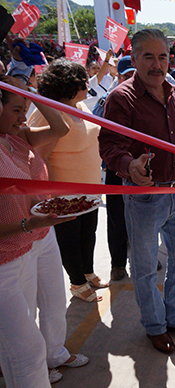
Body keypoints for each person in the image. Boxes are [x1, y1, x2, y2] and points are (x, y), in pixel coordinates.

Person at [98, 29, 175, 354]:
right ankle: (155, 326)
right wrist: (130, 166)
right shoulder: (121, 98)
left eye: (162, 57)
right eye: (149, 57)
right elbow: (109, 146)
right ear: (134, 57)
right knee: (144, 268)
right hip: (145, 197)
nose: (157, 65)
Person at [0, 75, 89, 387]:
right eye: (15, 110)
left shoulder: (17, 136)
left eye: (25, 109)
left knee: (52, 303)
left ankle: (55, 354)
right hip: (10, 252)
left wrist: (30, 94)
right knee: (23, 347)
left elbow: (60, 128)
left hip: (39, 236)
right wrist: (28, 224)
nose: (23, 117)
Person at [29, 59, 107, 303]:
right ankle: (76, 282)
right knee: (69, 238)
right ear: (65, 86)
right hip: (64, 193)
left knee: (88, 233)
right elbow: (38, 156)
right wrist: (50, 194)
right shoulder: (48, 114)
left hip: (89, 189)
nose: (87, 84)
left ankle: (87, 271)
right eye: (81, 82)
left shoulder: (80, 104)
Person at [92, 56, 136, 281]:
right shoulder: (108, 99)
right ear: (118, 77)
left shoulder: (148, 99)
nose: (130, 79)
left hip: (142, 168)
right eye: (125, 75)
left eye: (133, 74)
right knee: (117, 216)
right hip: (116, 167)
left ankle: (140, 257)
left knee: (143, 216)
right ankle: (118, 264)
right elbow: (95, 125)